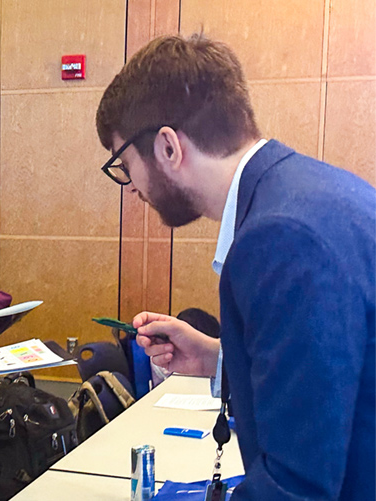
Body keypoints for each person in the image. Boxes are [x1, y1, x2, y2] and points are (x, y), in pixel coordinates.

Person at [96, 34, 375, 500]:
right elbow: (333, 375)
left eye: (125, 165)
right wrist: (219, 358)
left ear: (168, 147)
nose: (131, 189)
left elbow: (297, 485)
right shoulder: (312, 192)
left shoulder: (280, 237)